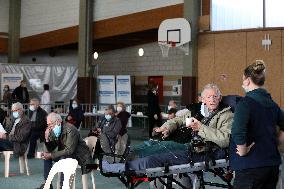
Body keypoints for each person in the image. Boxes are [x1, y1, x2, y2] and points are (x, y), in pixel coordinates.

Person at [128, 84, 233, 167]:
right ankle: (127, 153)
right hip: (184, 138)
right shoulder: (199, 111)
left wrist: (201, 128)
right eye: (209, 97)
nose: (212, 99)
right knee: (152, 142)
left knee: (167, 146)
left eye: (215, 96)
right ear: (203, 99)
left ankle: (131, 157)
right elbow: (178, 120)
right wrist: (167, 127)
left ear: (220, 98)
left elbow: (225, 139)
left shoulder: (226, 115)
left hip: (199, 147)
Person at [230, 60, 284, 189]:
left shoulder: (245, 103)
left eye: (243, 80)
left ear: (248, 80)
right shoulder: (273, 104)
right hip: (271, 165)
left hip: (250, 167)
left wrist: (242, 150)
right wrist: (275, 142)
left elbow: (237, 131)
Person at [36, 112, 92, 189]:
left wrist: (51, 155)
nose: (49, 127)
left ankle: (63, 186)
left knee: (64, 159)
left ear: (58, 122)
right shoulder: (55, 129)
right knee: (47, 158)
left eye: (50, 124)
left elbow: (70, 150)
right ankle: (47, 185)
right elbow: (51, 149)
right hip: (66, 154)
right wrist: (47, 139)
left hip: (80, 156)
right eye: (48, 125)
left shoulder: (70, 129)